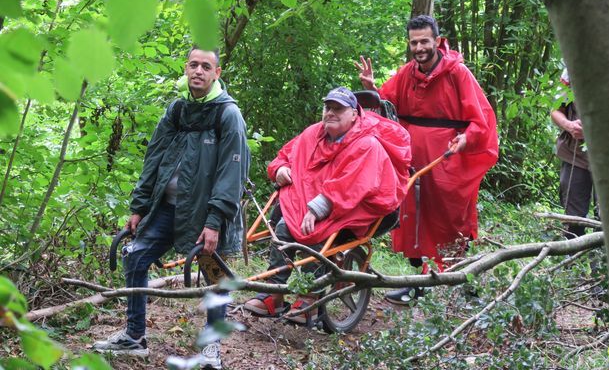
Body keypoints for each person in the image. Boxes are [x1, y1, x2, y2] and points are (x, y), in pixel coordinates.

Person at [94, 47, 249, 370]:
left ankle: (211, 351)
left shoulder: (228, 115)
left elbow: (231, 173)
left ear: (217, 73)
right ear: (186, 68)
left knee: (214, 276)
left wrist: (215, 221)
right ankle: (134, 336)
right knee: (135, 256)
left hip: (205, 215)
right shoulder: (177, 110)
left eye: (206, 66)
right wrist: (139, 207)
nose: (198, 71)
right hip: (167, 208)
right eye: (193, 65)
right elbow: (154, 158)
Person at [356, 15, 498, 304]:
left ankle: (463, 282)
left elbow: (480, 119)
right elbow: (387, 104)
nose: (419, 47)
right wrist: (371, 88)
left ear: (437, 40)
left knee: (449, 219)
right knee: (414, 216)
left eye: (424, 41)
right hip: (413, 157)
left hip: (448, 158)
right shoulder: (408, 72)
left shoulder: (458, 73)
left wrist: (465, 139)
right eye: (414, 42)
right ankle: (417, 285)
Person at [244, 87, 411, 322]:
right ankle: (274, 293)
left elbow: (351, 185)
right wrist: (280, 168)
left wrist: (316, 209)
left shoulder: (367, 144)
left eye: (338, 109)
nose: (331, 113)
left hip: (351, 208)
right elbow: (285, 155)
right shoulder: (313, 134)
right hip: (313, 201)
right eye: (328, 107)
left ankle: (310, 297)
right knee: (282, 227)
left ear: (354, 114)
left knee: (317, 233)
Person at [551, 67, 597, 237]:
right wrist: (569, 126)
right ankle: (571, 260)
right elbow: (556, 111)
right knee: (573, 218)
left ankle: (603, 263)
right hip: (576, 153)